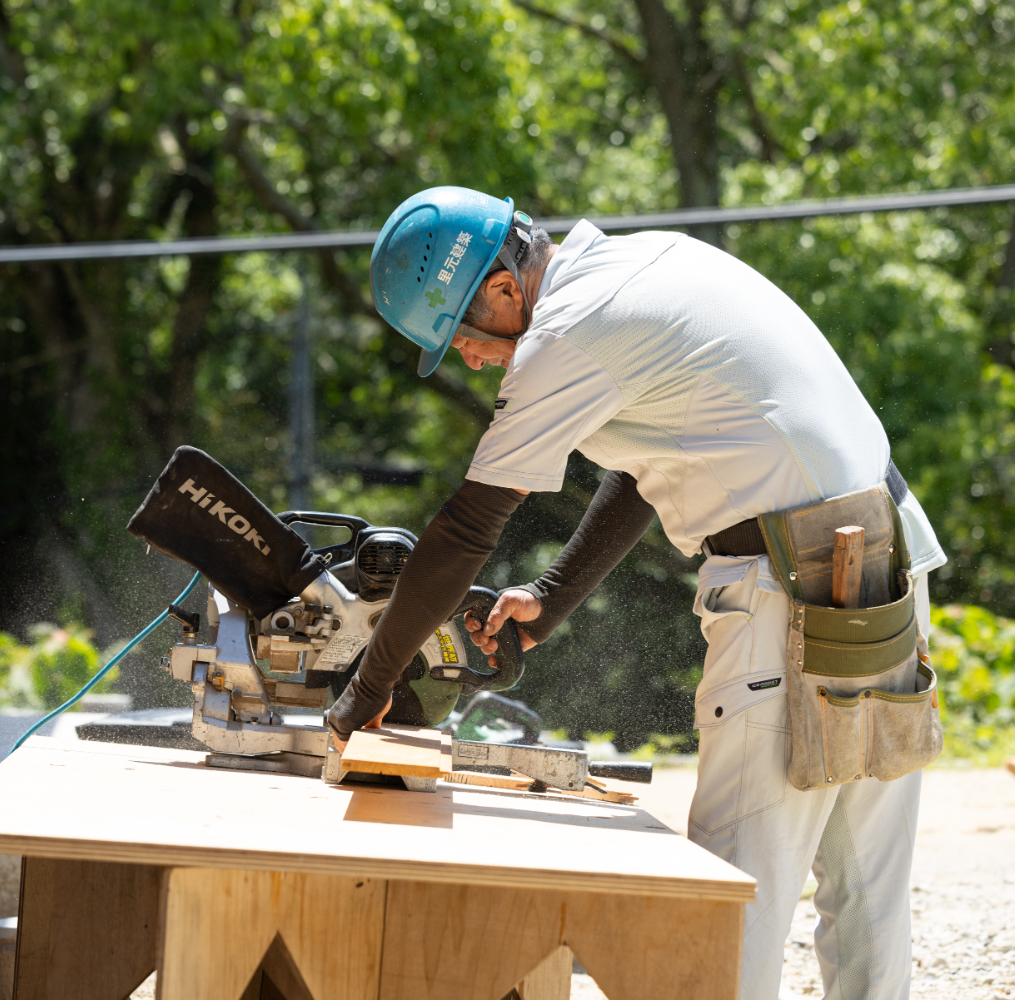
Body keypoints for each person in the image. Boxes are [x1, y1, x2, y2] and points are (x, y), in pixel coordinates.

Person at [326, 186, 946, 1000]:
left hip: (790, 591)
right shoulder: (651, 264)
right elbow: (653, 463)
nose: (474, 361)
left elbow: (466, 528)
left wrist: (366, 689)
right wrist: (551, 598)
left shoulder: (565, 336)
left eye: (466, 339)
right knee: (867, 895)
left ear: (504, 290)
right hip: (887, 568)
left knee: (728, 897)